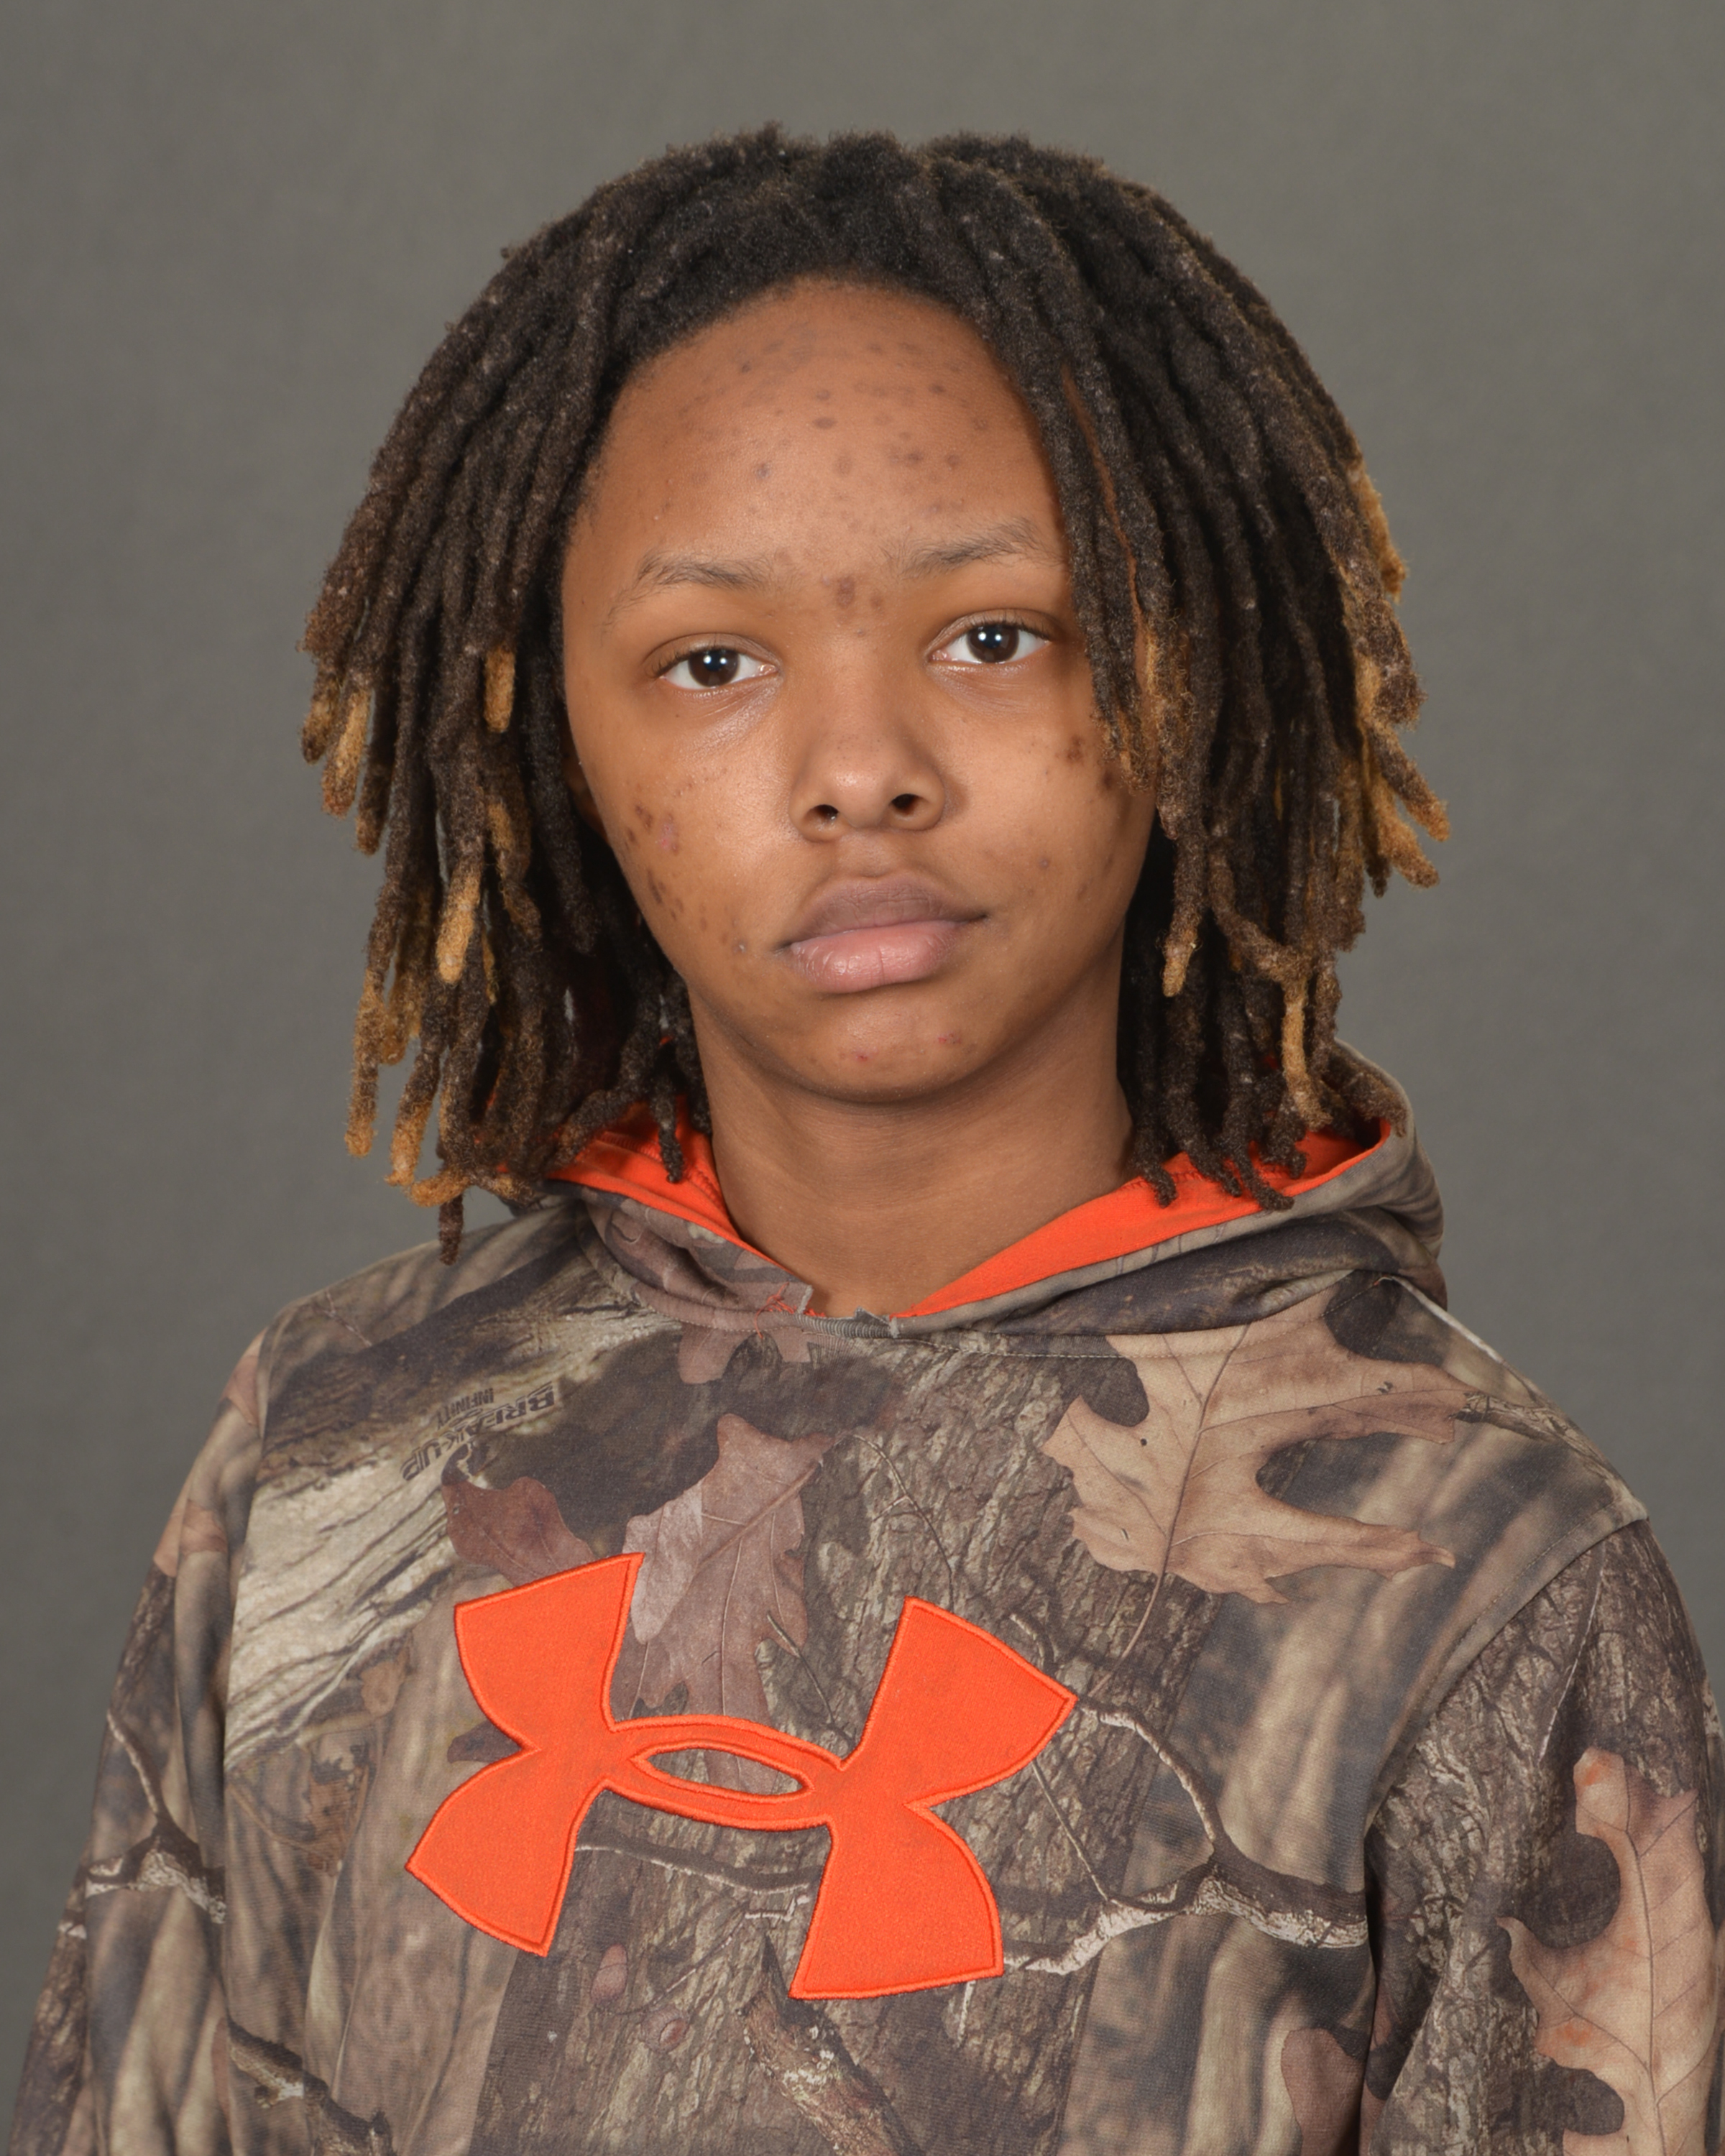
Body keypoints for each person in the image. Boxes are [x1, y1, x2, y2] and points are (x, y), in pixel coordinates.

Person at [12, 127, 1719, 2156]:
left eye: (994, 635)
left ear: (1189, 679)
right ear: (556, 743)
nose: (859, 772)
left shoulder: (1479, 1566)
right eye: (712, 664)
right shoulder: (325, 1451)